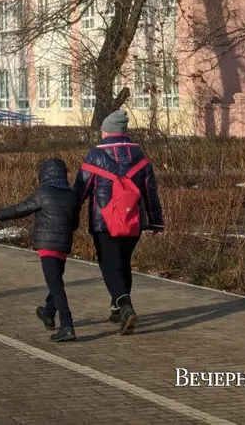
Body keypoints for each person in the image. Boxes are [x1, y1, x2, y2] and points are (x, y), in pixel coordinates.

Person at [70, 109, 164, 336]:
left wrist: (70, 216)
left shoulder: (94, 156)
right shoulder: (140, 157)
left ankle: (125, 307)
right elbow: (150, 192)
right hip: (133, 222)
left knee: (109, 265)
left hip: (104, 222)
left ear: (108, 132)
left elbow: (80, 191)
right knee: (123, 262)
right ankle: (115, 309)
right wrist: (156, 222)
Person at [0, 157, 77, 342]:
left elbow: (22, 208)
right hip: (63, 245)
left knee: (56, 285)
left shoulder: (43, 193)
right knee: (56, 281)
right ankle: (48, 313)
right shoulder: (71, 194)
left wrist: (0, 215)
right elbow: (74, 223)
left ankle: (67, 325)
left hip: (47, 246)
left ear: (43, 174)